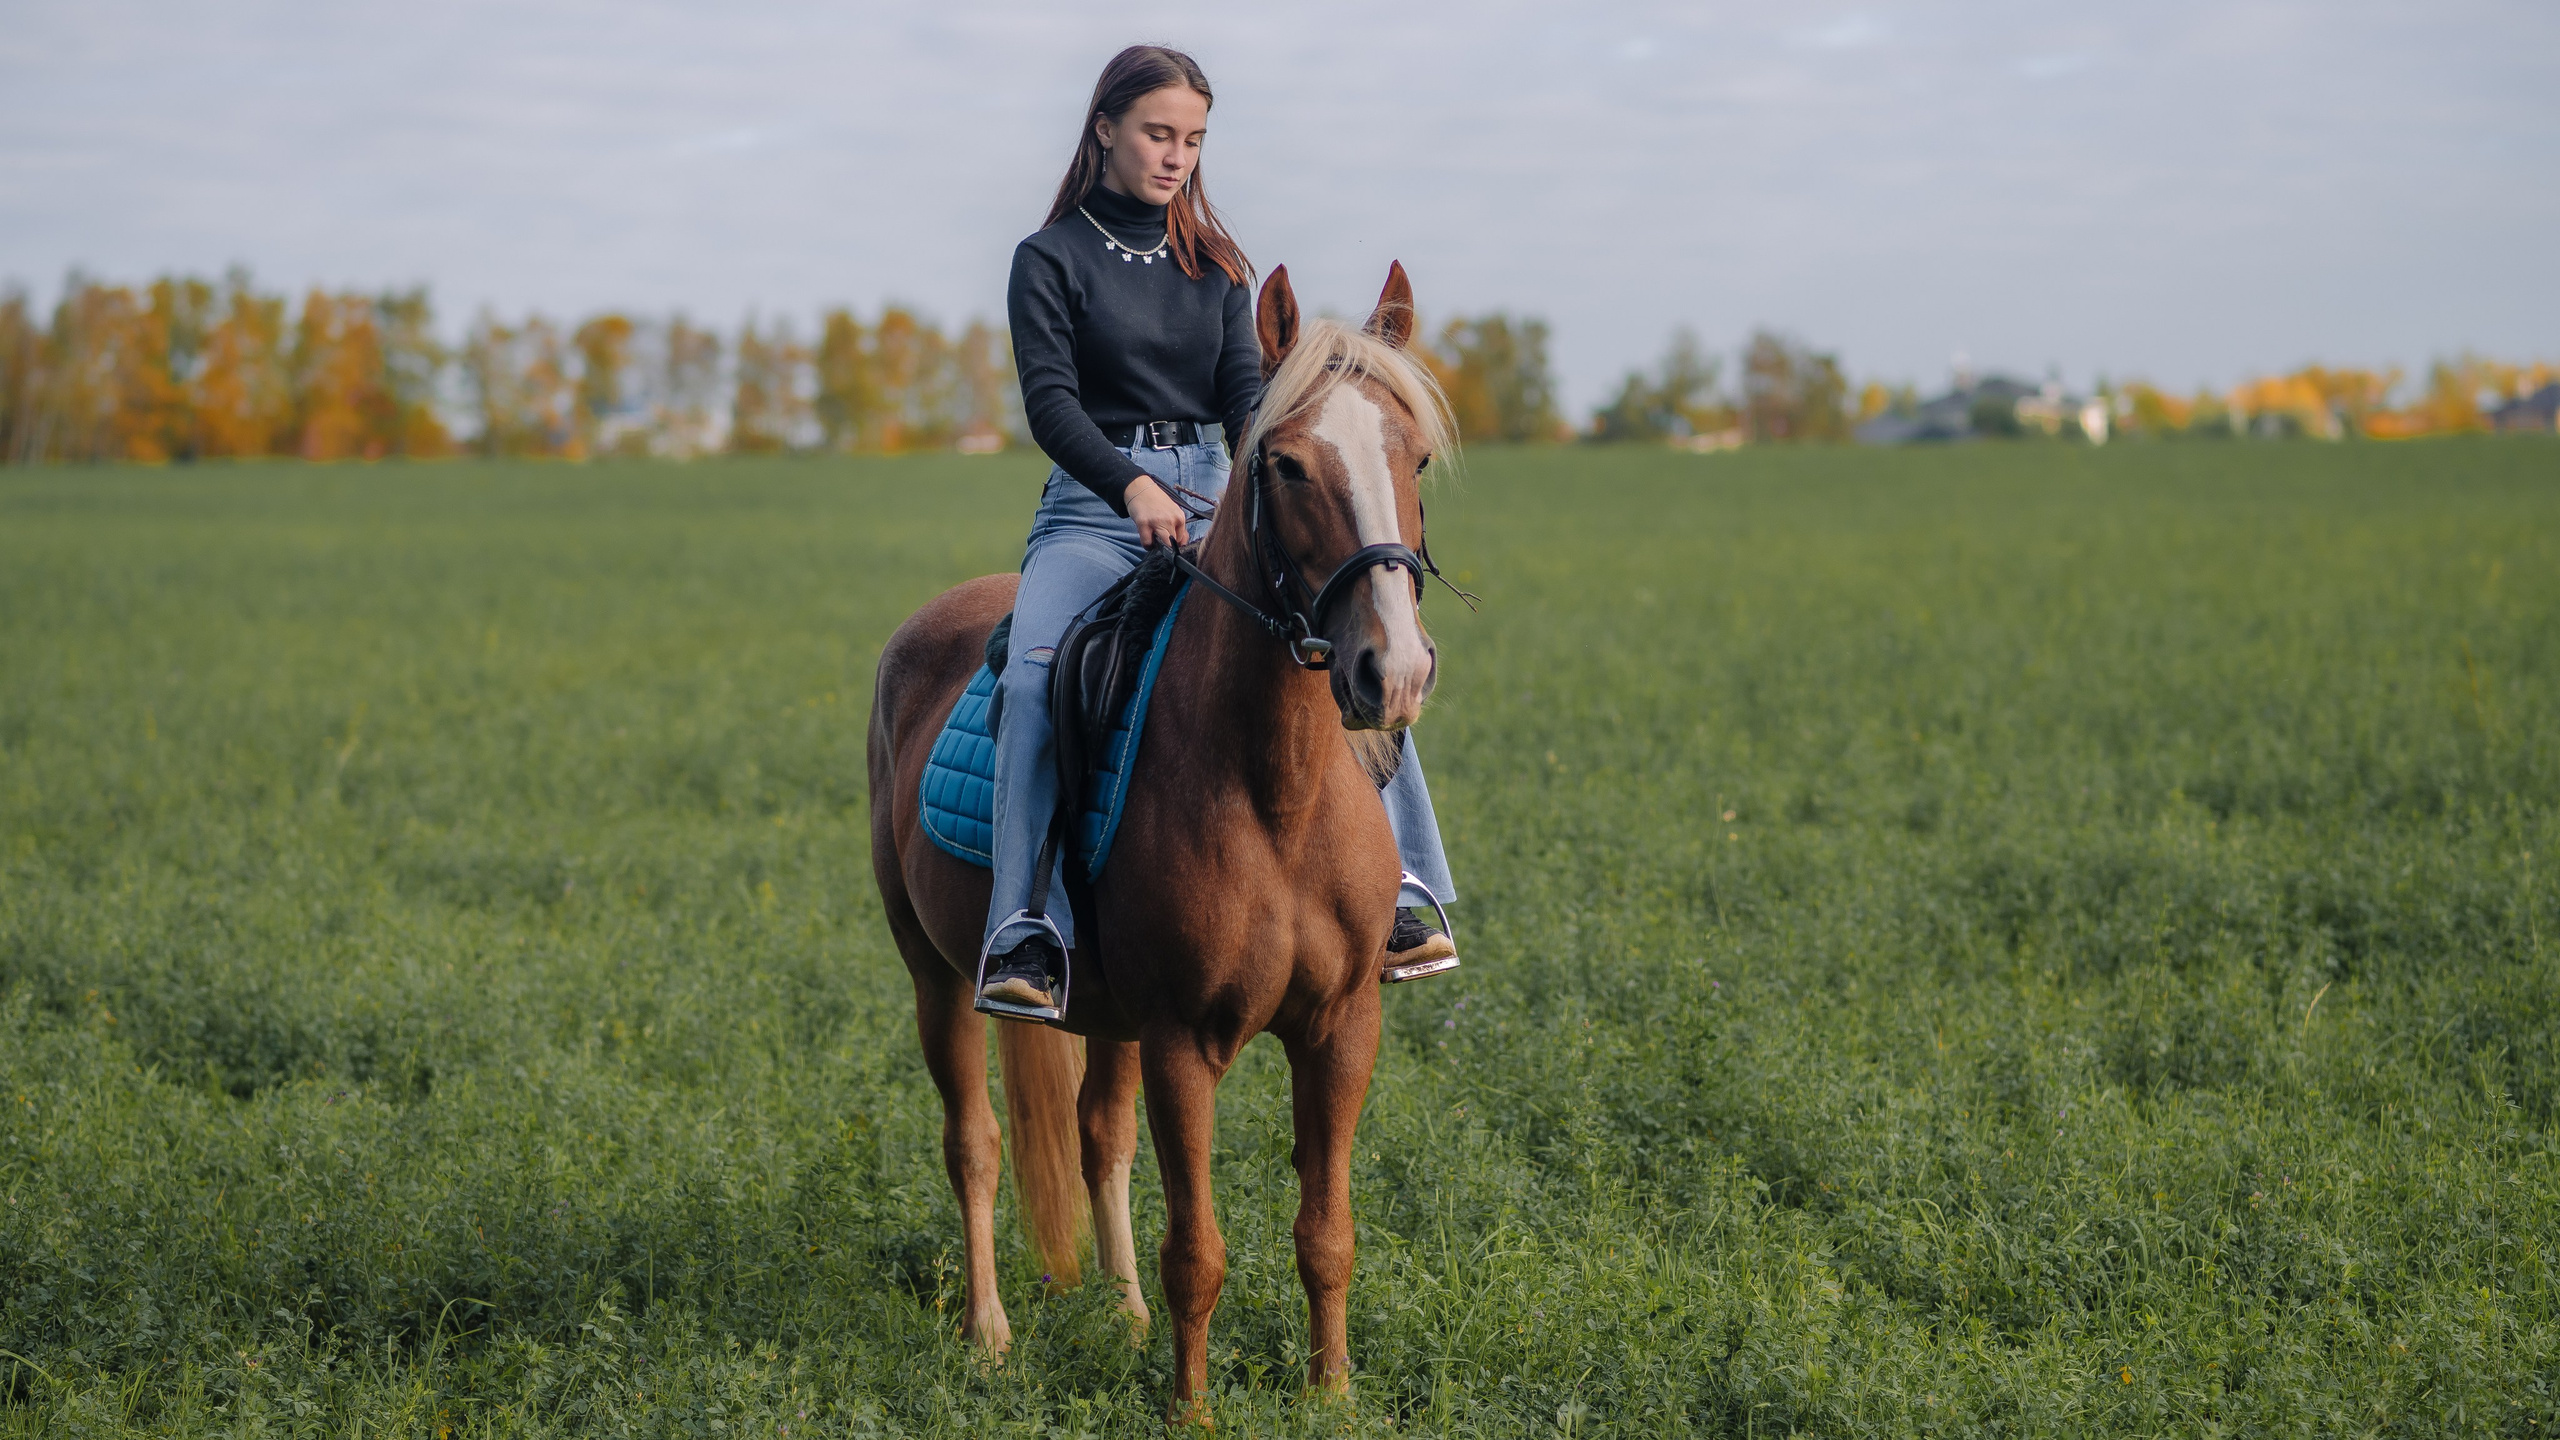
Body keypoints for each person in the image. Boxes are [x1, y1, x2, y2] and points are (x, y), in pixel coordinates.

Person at [977, 44, 1459, 1011]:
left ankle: (1410, 888)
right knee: (1034, 677)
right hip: (1095, 511)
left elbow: (1247, 399)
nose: (1176, 157)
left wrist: (1274, 478)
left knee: (1348, 638)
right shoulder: (1050, 260)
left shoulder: (1217, 270)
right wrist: (1129, 486)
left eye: (1193, 140)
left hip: (1217, 496)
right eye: (1159, 134)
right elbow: (1051, 407)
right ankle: (1025, 928)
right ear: (1105, 127)